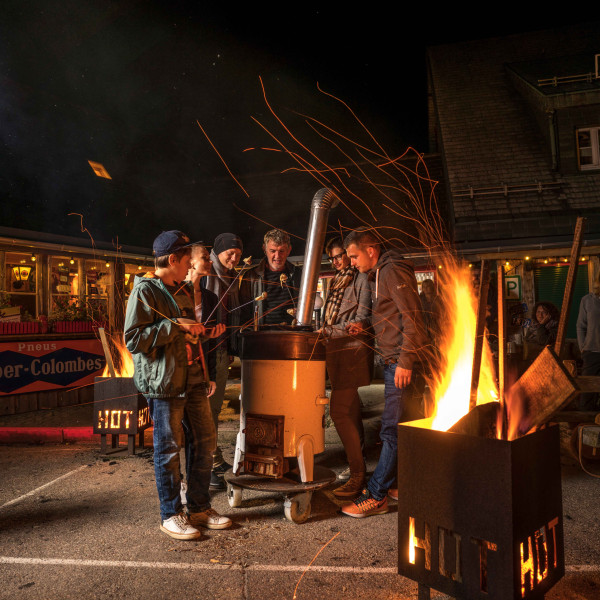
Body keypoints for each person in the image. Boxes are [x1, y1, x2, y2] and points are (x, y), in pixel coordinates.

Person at [124, 230, 232, 540]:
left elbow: (184, 335)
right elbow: (133, 339)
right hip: (166, 384)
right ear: (172, 259)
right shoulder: (144, 291)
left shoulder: (182, 289)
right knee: (168, 450)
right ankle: (171, 514)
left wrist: (203, 334)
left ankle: (198, 507)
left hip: (194, 380)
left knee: (205, 442)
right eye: (187, 260)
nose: (190, 266)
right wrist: (174, 325)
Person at [340, 228, 426, 518]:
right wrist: (367, 326)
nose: (352, 262)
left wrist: (405, 360)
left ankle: (376, 495)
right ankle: (398, 484)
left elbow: (414, 320)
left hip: (398, 363)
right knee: (405, 427)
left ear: (371, 250)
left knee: (390, 430)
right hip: (395, 359)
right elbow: (393, 315)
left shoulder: (391, 271)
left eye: (354, 256)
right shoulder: (379, 272)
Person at [320, 237, 373, 498]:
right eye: (333, 257)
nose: (338, 260)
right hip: (336, 350)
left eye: (341, 255)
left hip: (352, 351)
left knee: (339, 411)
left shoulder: (361, 279)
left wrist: (329, 330)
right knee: (350, 413)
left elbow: (363, 318)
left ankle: (357, 476)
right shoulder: (335, 281)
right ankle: (359, 467)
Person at [201, 233, 244, 489]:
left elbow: (232, 315)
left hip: (220, 349)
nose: (235, 258)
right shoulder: (208, 275)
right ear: (217, 252)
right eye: (231, 253)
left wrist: (228, 346)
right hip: (207, 350)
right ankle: (207, 466)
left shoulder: (232, 276)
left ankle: (215, 460)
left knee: (214, 410)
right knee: (206, 410)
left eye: (238, 254)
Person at [240, 229, 302, 327]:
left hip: (291, 333)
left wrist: (300, 311)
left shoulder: (299, 274)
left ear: (289, 250)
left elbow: (308, 304)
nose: (277, 256)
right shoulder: (251, 276)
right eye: (272, 251)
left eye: (281, 251)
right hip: (261, 335)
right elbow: (244, 313)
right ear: (264, 249)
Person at [576, 280, 600, 411]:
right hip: (591, 353)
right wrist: (583, 348)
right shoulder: (587, 300)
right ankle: (586, 429)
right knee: (587, 398)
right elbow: (581, 326)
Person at [420, 278, 443, 347]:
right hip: (423, 326)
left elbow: (442, 312)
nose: (426, 288)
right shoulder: (419, 299)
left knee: (436, 346)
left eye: (428, 286)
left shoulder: (438, 299)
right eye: (424, 287)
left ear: (432, 287)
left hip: (436, 326)